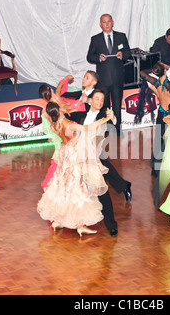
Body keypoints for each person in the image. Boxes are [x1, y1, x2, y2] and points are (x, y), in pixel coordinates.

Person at [37, 101, 114, 237]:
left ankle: (58, 221)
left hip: (65, 155)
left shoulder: (54, 124)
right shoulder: (68, 124)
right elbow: (88, 128)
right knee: (78, 188)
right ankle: (80, 225)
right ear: (58, 110)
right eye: (61, 107)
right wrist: (105, 119)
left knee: (64, 188)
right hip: (75, 156)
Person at [67, 89, 132, 237]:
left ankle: (111, 225)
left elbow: (112, 120)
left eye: (102, 100)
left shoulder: (103, 115)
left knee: (102, 192)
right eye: (97, 99)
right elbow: (64, 117)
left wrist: (113, 116)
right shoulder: (81, 115)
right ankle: (78, 222)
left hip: (94, 158)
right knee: (79, 190)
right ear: (91, 100)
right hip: (80, 159)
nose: (100, 102)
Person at [87, 14, 131, 135]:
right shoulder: (95, 39)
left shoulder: (121, 36)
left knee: (117, 105)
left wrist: (123, 55)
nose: (106, 24)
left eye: (108, 21)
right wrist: (98, 58)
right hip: (103, 80)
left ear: (113, 22)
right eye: (104, 22)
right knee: (104, 105)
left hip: (117, 79)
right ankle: (105, 129)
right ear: (100, 24)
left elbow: (128, 53)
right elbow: (89, 56)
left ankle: (117, 130)